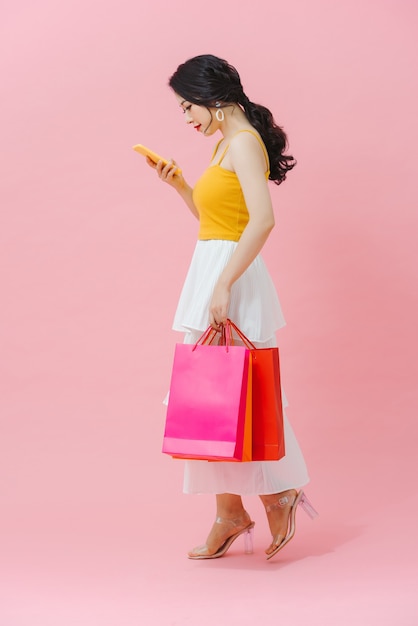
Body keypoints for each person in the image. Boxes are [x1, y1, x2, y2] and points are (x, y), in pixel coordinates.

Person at [147, 54, 316, 560]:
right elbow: (215, 220)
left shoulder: (243, 144)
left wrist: (223, 284)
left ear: (212, 99)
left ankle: (277, 492)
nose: (187, 119)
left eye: (187, 108)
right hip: (216, 271)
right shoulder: (226, 145)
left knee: (244, 397)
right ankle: (230, 511)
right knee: (211, 401)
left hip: (231, 278)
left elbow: (262, 221)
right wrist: (179, 185)